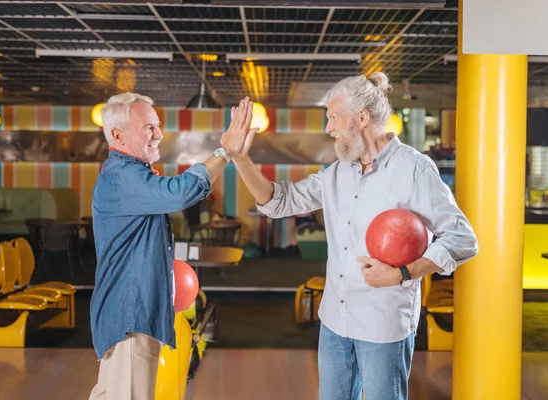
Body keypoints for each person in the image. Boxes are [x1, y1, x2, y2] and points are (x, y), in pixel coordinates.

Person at [231, 73, 479, 400]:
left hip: (383, 322)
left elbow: (461, 239)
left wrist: (403, 273)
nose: (328, 127)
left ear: (362, 118)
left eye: (334, 117)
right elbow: (280, 202)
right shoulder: (338, 171)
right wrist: (239, 157)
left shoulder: (414, 169)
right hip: (336, 319)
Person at [88, 93, 257, 399]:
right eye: (148, 128)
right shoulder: (121, 177)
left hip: (138, 311)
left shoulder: (131, 174)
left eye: (158, 126)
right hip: (129, 314)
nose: (159, 135)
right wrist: (225, 151)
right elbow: (178, 193)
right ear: (117, 135)